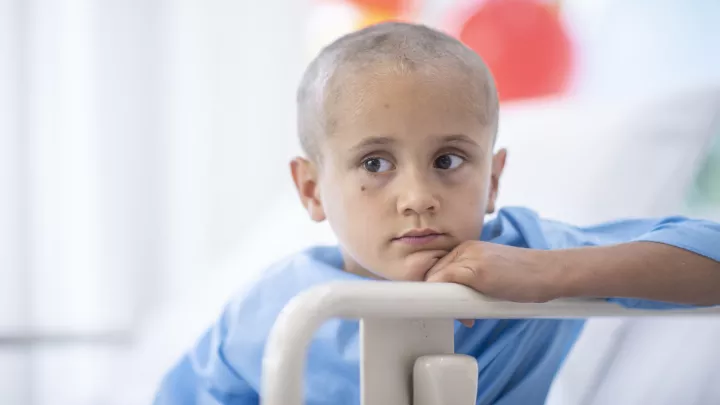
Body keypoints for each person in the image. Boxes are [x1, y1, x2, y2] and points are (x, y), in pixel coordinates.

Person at [153, 22, 720, 405]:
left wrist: (550, 276)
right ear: (312, 191)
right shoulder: (271, 310)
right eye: (375, 163)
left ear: (492, 180)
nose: (418, 195)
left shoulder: (528, 257)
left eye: (448, 159)